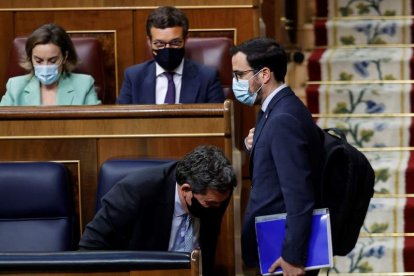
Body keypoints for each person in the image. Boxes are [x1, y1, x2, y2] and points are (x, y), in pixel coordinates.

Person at [231, 37, 323, 275]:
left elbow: (299, 194)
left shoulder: (283, 118)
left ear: (263, 75)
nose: (235, 82)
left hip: (284, 254)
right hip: (272, 245)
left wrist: (293, 256)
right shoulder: (275, 109)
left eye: (239, 75)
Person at [78, 145, 237, 276]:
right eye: (210, 204)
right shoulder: (137, 191)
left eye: (219, 204)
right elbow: (90, 248)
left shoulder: (217, 194)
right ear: (185, 190)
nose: (217, 209)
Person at [116, 6, 225, 104]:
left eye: (175, 43)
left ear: (185, 40)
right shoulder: (133, 77)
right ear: (149, 42)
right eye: (159, 44)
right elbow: (121, 121)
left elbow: (218, 122)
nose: (167, 49)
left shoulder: (207, 77)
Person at [0, 23, 101, 106]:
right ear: (31, 58)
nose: (45, 66)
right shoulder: (15, 86)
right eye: (38, 61)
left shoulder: (84, 85)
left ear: (65, 57)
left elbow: (95, 125)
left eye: (52, 61)